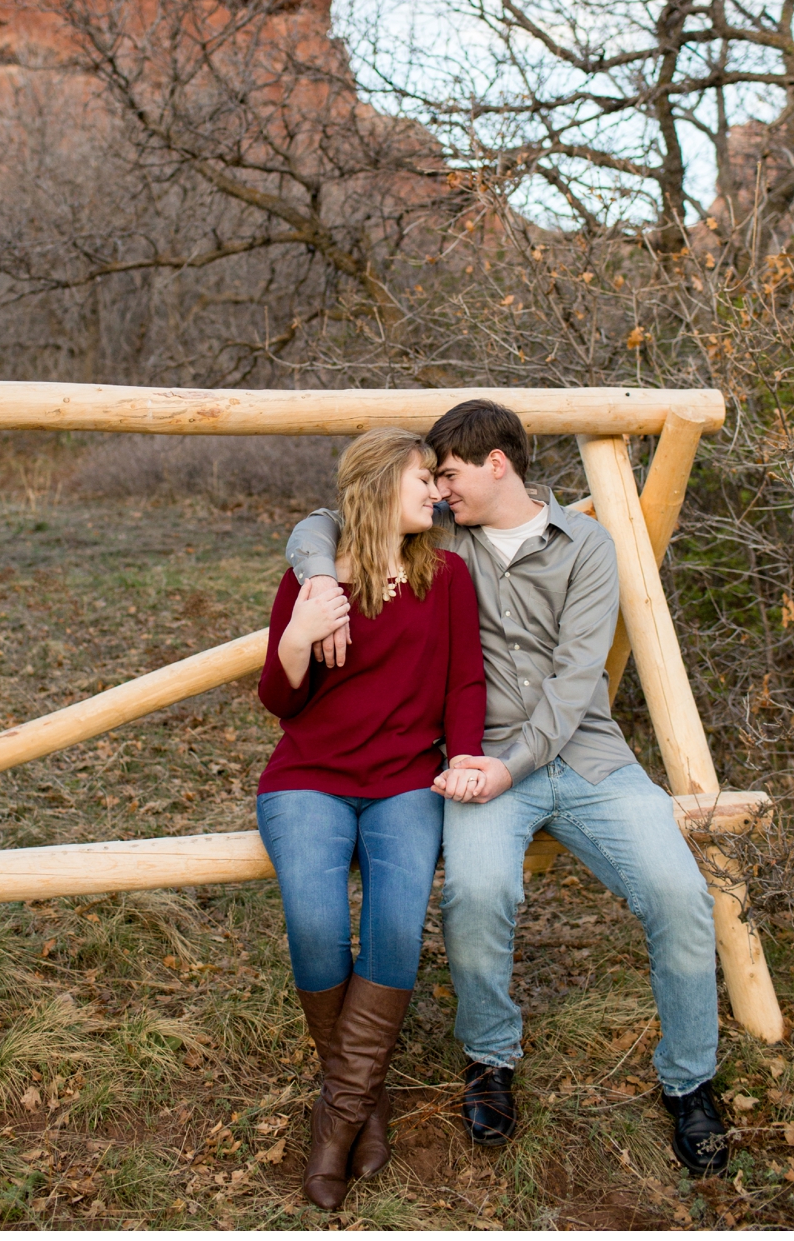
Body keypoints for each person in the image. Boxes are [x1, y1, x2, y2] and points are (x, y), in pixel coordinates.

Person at [287, 399, 731, 1175]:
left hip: (588, 758)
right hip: (478, 760)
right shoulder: (445, 543)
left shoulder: (587, 545)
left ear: (498, 464)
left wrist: (509, 766)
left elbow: (574, 680)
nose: (440, 489)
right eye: (431, 479)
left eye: (449, 474)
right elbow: (324, 520)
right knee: (476, 896)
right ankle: (491, 1060)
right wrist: (321, 583)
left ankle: (689, 1082)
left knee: (681, 898)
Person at [256, 427, 488, 1210]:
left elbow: (464, 684)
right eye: (424, 478)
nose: (436, 492)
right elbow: (279, 699)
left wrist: (462, 756)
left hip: (405, 782)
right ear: (381, 483)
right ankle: (363, 1102)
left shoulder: (447, 577)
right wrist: (297, 636)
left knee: (395, 924)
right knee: (316, 924)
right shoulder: (316, 581)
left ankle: (339, 1116)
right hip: (309, 778)